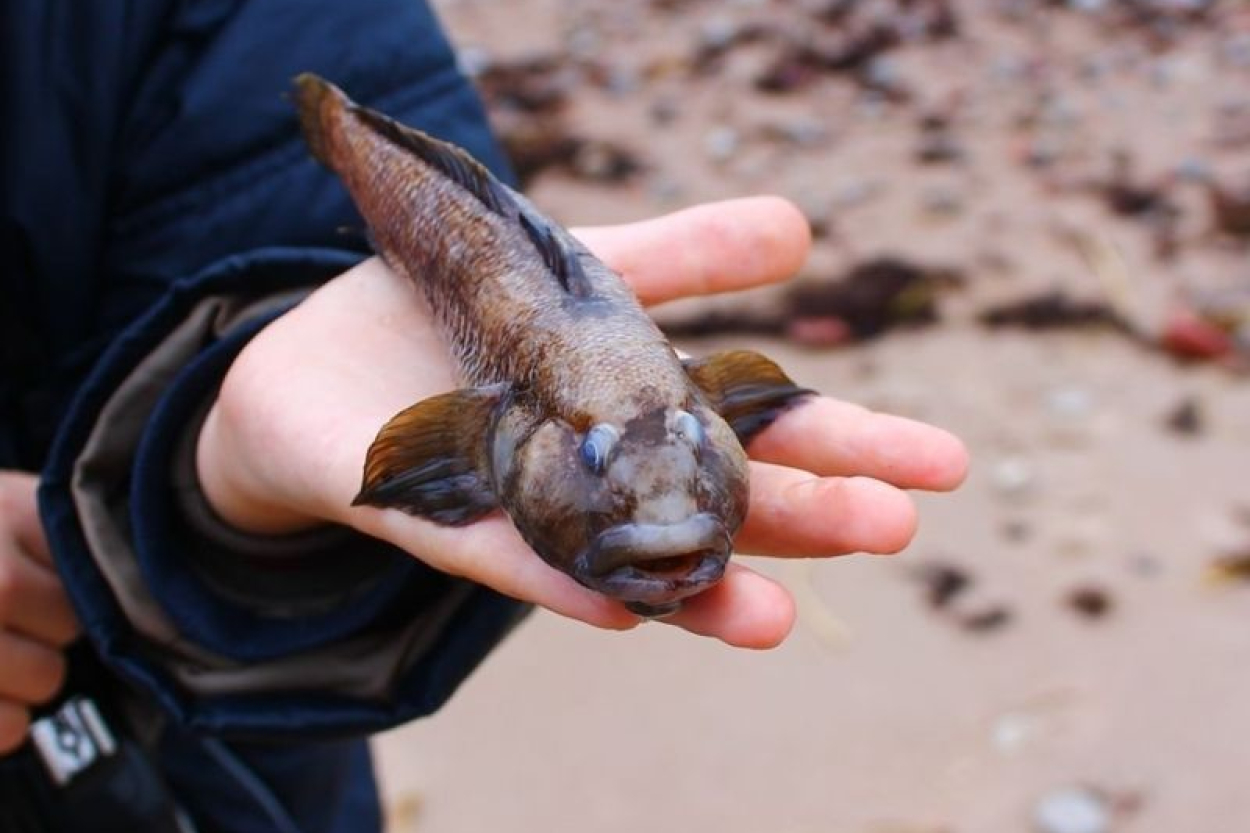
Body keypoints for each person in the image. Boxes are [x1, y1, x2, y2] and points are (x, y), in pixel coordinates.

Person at [0, 0, 968, 831]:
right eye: (591, 460)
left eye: (695, 449)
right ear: (504, 432)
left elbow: (251, 257)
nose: (673, 531)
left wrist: (219, 462)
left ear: (713, 410)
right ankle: (335, 128)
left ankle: (334, 125)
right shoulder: (495, 427)